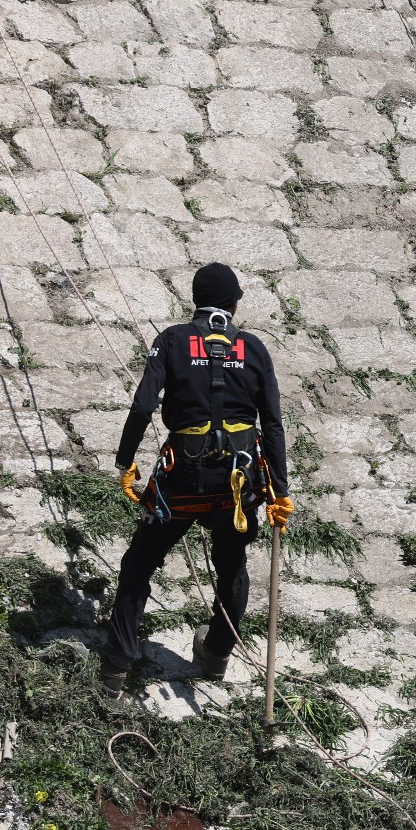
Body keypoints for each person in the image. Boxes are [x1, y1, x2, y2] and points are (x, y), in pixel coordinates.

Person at [102, 263, 293, 694]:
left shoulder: (172, 340)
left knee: (138, 565)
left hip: (182, 483)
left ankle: (115, 668)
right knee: (232, 567)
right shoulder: (254, 347)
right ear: (234, 302)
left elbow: (142, 407)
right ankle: (216, 656)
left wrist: (125, 461)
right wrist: (280, 491)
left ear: (196, 299)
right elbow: (274, 424)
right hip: (238, 485)